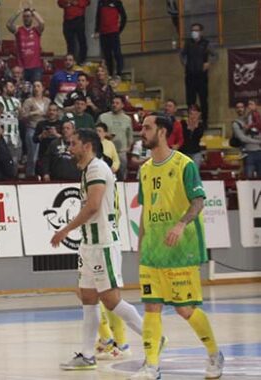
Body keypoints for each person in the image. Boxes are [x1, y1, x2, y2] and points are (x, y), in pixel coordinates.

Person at [130, 114, 224, 380]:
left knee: (185, 309)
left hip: (181, 250)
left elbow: (198, 201)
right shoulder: (145, 169)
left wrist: (181, 224)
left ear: (162, 131)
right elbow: (146, 209)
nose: (142, 132)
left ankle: (214, 353)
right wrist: (141, 246)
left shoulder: (185, 165)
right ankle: (151, 365)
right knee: (151, 307)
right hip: (153, 251)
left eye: (147, 127)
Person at [50, 128, 145, 370]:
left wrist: (65, 229)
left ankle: (152, 337)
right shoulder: (87, 170)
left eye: (74, 144)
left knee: (111, 300)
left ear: (88, 145)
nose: (70, 148)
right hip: (89, 244)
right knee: (88, 297)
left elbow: (92, 207)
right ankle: (87, 354)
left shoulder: (96, 168)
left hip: (102, 242)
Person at [181, 23, 213, 126]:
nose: (194, 32)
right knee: (190, 100)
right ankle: (192, 120)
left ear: (201, 32)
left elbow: (215, 55)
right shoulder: (188, 43)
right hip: (190, 75)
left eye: (196, 30)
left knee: (203, 100)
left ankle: (204, 121)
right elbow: (182, 55)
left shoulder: (206, 43)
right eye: (192, 30)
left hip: (202, 76)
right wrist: (185, 63)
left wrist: (209, 62)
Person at [7, 7, 45, 83]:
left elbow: (42, 23)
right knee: (22, 90)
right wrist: (18, 12)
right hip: (22, 67)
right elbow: (8, 24)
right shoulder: (19, 30)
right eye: (24, 16)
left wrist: (33, 11)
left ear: (32, 17)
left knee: (35, 88)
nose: (26, 18)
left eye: (28, 16)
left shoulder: (36, 30)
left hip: (35, 67)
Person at [98, 95, 132, 179]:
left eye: (117, 103)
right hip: (106, 151)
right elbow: (97, 131)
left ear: (122, 105)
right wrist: (105, 135)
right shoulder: (103, 117)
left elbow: (129, 135)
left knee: (122, 175)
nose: (114, 105)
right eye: (113, 103)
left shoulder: (127, 119)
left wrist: (128, 148)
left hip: (121, 152)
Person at [22, 81, 51, 178]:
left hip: (45, 129)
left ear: (43, 88)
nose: (36, 88)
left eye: (38, 86)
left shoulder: (47, 101)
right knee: (33, 156)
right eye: (34, 86)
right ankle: (30, 175)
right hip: (32, 128)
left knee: (44, 155)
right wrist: (33, 113)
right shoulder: (29, 101)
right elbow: (22, 116)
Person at [94, 0, 127, 78]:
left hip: (113, 33)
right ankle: (110, 74)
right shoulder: (101, 2)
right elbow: (98, 17)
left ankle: (119, 73)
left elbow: (124, 17)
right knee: (107, 55)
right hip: (103, 34)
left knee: (117, 53)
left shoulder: (117, 2)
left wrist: (119, 30)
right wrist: (96, 30)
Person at [231, 101, 261, 178]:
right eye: (238, 107)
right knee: (248, 178)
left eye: (242, 107)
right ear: (235, 110)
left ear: (245, 108)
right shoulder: (236, 123)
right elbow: (242, 138)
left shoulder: (253, 118)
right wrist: (258, 141)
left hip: (259, 151)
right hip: (248, 153)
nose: (240, 109)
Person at [34, 102, 62, 177]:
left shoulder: (62, 124)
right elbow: (35, 139)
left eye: (54, 110)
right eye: (50, 110)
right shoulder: (41, 124)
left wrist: (56, 134)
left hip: (58, 155)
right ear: (47, 111)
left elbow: (67, 139)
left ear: (57, 112)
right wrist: (42, 136)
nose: (51, 112)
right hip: (43, 153)